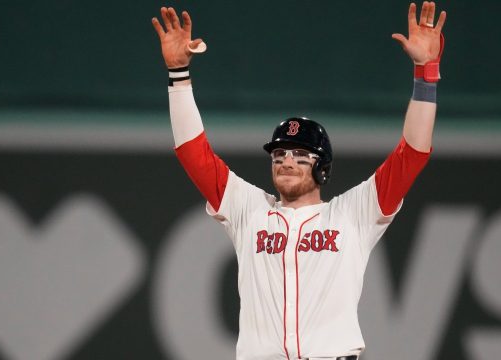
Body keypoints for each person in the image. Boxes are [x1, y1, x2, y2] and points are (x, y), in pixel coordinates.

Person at [152, 2, 446, 359]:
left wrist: (425, 72)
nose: (287, 161)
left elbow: (413, 153)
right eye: (279, 154)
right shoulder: (249, 211)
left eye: (299, 154)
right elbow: (191, 151)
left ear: (322, 167)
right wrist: (179, 75)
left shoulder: (354, 213)